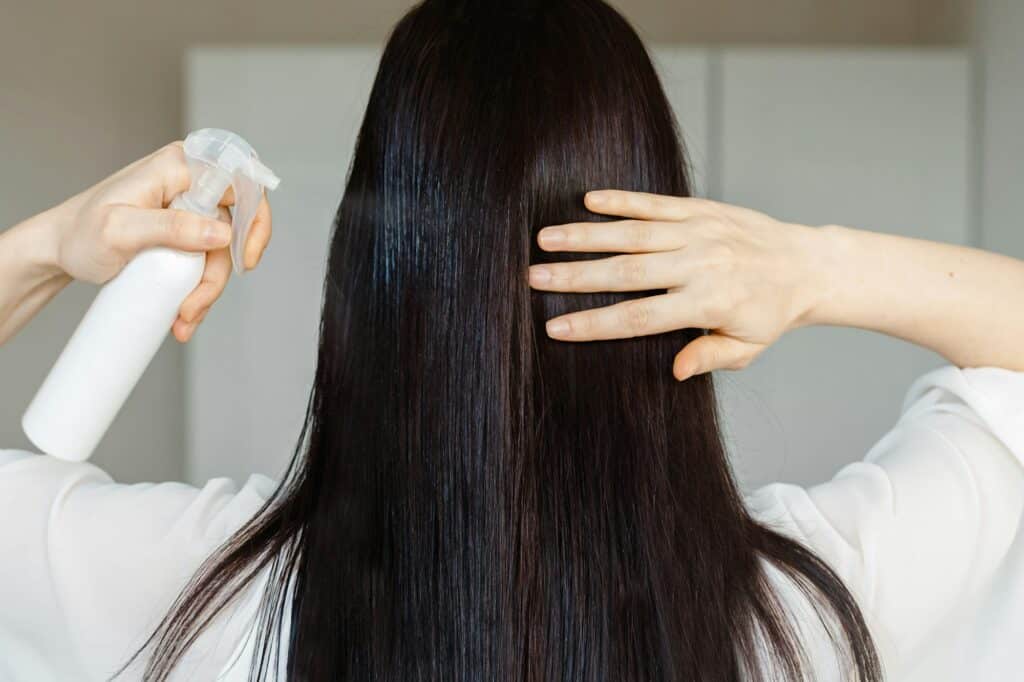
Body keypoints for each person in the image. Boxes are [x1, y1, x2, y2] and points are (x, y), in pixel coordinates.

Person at [1, 1, 1023, 680]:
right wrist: (813, 266)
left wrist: (48, 246)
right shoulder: (804, 614)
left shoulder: (195, 599)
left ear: (372, 269)